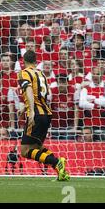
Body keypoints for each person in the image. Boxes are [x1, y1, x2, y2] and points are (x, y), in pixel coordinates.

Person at [18, 50, 70, 181]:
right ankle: (60, 167)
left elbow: (29, 90)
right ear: (36, 62)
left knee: (25, 151)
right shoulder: (41, 74)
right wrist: (25, 108)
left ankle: (56, 162)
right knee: (37, 147)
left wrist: (31, 111)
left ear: (24, 61)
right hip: (46, 113)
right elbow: (41, 95)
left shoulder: (24, 73)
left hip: (36, 114)